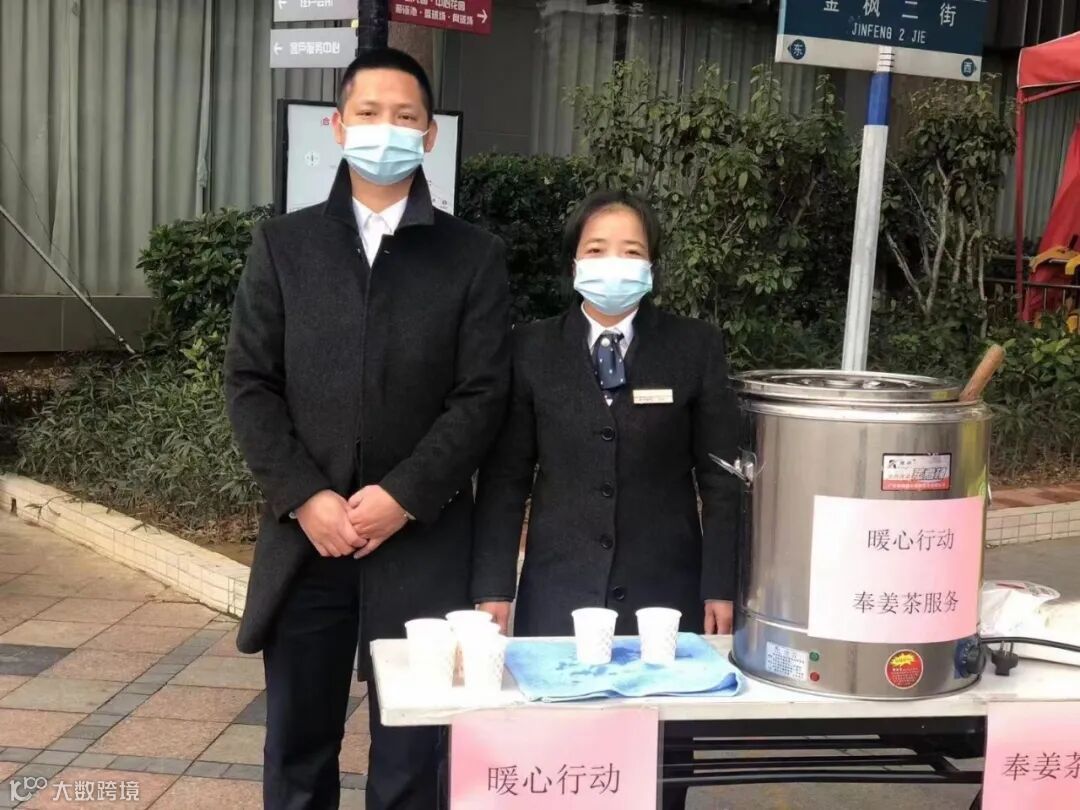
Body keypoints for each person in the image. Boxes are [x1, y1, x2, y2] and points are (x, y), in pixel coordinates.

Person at [225, 48, 510, 810]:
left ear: (430, 135)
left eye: (405, 116)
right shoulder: (283, 247)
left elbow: (481, 396)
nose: (387, 129)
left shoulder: (473, 257)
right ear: (339, 125)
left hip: (422, 544)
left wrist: (405, 495)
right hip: (308, 543)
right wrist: (304, 496)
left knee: (414, 758)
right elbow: (250, 383)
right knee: (296, 750)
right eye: (369, 113)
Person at [471, 190, 741, 810]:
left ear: (652, 265)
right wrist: (493, 589)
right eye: (596, 249)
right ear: (573, 262)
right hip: (557, 590)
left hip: (664, 596)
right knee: (555, 764)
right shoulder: (530, 348)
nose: (613, 263)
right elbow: (506, 479)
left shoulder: (694, 346)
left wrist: (719, 586)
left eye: (631, 250)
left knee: (658, 770)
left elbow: (721, 479)